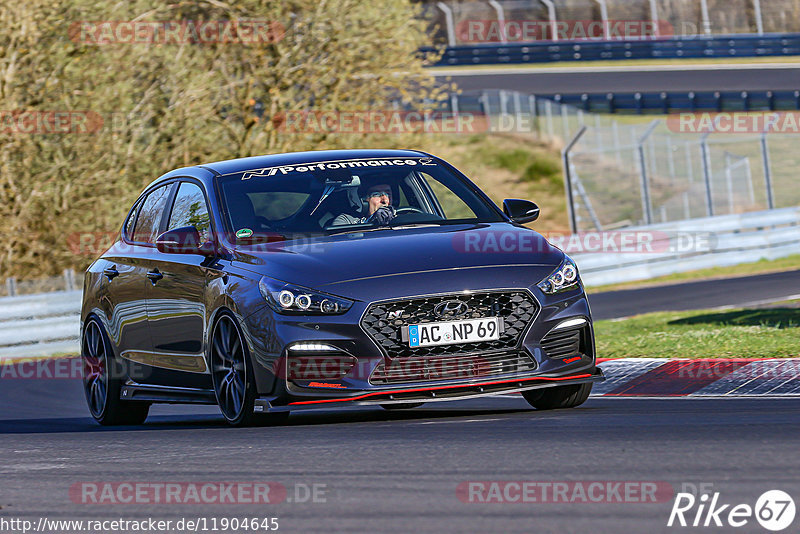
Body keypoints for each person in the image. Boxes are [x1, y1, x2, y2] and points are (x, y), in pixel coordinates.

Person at [330, 183, 396, 226]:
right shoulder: (346, 220)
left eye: (388, 194)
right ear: (363, 200)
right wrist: (371, 221)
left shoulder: (402, 217)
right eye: (377, 194)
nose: (385, 200)